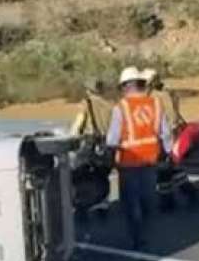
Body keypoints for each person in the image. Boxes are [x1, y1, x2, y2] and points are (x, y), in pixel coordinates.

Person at [106, 67, 172, 249]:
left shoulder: (122, 107)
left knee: (131, 202)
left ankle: (137, 237)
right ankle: (148, 233)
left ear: (126, 86)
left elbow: (112, 139)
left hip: (128, 162)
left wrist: (109, 157)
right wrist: (168, 153)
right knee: (148, 198)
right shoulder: (156, 104)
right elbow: (165, 133)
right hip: (151, 159)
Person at [144, 69, 199, 211]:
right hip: (162, 136)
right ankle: (187, 192)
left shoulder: (159, 96)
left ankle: (168, 202)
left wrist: (167, 139)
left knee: (164, 170)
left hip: (165, 136)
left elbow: (170, 118)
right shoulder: (159, 95)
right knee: (171, 169)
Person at [70, 78, 114, 218]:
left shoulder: (87, 103)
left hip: (89, 143)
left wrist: (71, 140)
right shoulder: (110, 106)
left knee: (80, 174)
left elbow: (78, 124)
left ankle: (82, 204)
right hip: (106, 144)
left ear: (88, 90)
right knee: (102, 174)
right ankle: (102, 203)